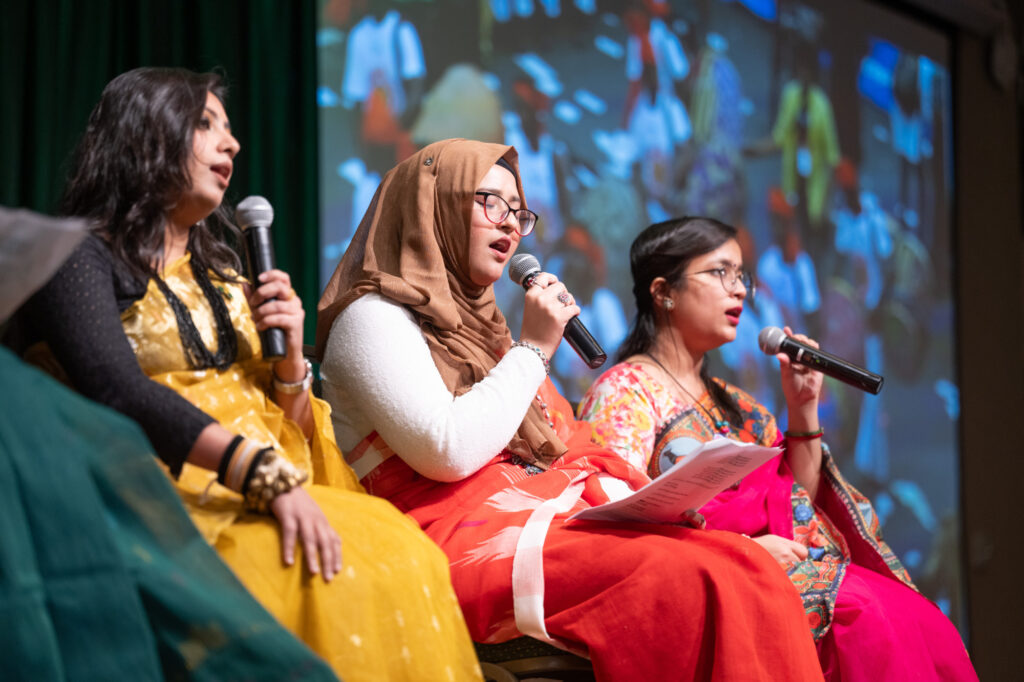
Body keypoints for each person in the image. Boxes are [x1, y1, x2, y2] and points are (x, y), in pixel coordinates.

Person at [13, 67, 481, 682]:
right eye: (206, 125)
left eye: (230, 130)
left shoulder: (227, 276)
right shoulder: (77, 256)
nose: (231, 144)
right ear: (145, 134)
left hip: (265, 481)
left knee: (404, 555)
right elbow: (115, 390)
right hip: (152, 499)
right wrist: (261, 476)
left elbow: (286, 424)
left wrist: (289, 363)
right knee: (311, 576)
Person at [316, 137, 826, 681]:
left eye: (518, 211)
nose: (510, 224)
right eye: (489, 202)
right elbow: (447, 451)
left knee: (738, 562)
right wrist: (533, 350)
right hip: (453, 537)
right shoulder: (371, 316)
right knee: (694, 576)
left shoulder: (483, 328)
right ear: (432, 204)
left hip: (536, 518)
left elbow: (569, 445)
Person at [577, 216, 978, 681]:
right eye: (719, 272)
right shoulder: (625, 391)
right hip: (708, 583)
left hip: (766, 572)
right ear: (664, 291)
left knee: (910, 615)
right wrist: (743, 551)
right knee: (861, 615)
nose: (739, 290)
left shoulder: (742, 405)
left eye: (741, 275)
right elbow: (617, 518)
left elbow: (797, 503)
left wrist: (802, 407)